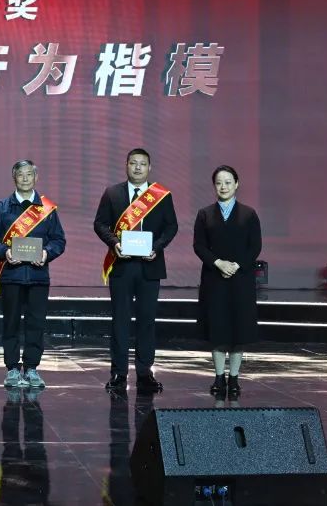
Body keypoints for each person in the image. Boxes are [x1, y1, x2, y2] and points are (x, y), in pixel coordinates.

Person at [93, 148, 178, 393]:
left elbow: (171, 227)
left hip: (150, 266)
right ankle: (118, 373)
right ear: (126, 165)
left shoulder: (161, 196)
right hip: (121, 266)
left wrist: (157, 248)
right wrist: (114, 243)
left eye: (142, 164)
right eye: (133, 163)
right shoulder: (112, 193)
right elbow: (100, 224)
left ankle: (144, 372)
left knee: (146, 321)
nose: (138, 167)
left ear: (149, 167)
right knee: (120, 320)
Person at [0, 160, 66, 389]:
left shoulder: (47, 209)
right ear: (14, 178)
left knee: (36, 324)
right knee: (10, 323)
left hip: (38, 277)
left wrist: (47, 254)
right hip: (11, 275)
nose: (26, 179)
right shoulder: (2, 207)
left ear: (36, 177)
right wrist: (5, 252)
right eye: (21, 175)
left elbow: (59, 240)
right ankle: (11, 368)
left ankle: (31, 368)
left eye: (29, 174)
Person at [194, 165, 262, 399]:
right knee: (217, 328)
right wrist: (218, 263)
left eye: (228, 182)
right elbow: (199, 246)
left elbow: (255, 246)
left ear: (236, 184)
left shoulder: (249, 214)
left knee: (238, 329)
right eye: (219, 183)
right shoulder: (204, 214)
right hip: (214, 279)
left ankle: (234, 378)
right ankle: (218, 377)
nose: (223, 187)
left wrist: (236, 265)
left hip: (240, 279)